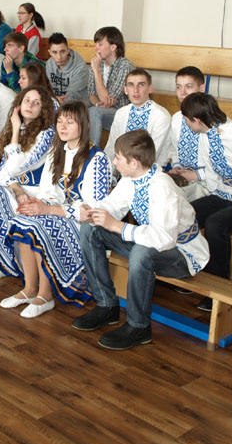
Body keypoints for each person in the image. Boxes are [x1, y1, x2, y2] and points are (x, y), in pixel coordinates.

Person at [75, 129, 210, 349]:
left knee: (141, 252)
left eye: (118, 158)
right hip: (151, 243)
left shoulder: (163, 187)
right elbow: (112, 206)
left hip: (183, 254)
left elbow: (164, 239)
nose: (114, 162)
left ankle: (139, 326)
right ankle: (106, 305)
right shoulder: (131, 179)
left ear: (134, 162)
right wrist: (93, 212)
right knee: (90, 231)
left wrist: (117, 226)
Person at [5, 102, 115, 318]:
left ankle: (45, 295)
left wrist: (48, 210)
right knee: (24, 219)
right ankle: (29, 289)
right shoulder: (57, 151)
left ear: (84, 125)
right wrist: (39, 205)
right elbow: (49, 192)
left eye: (70, 122)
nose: (63, 127)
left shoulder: (97, 159)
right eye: (60, 121)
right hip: (61, 212)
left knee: (41, 226)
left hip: (86, 225)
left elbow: (92, 211)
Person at [0, 86, 56, 288]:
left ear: (43, 109)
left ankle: (0, 261)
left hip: (35, 193)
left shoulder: (46, 134)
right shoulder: (20, 129)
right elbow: (5, 173)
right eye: (27, 100)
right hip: (17, 190)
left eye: (36, 103)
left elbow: (14, 166)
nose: (30, 105)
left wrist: (14, 128)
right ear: (19, 104)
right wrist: (16, 188)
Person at [180, 93, 232, 312]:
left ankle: (218, 286)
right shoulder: (205, 135)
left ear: (197, 120)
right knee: (185, 213)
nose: (186, 124)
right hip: (223, 193)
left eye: (187, 120)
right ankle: (186, 269)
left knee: (216, 224)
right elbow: (211, 172)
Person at [103, 69, 172, 169]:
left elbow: (151, 155)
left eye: (141, 85)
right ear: (125, 90)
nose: (135, 90)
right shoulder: (121, 113)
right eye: (131, 85)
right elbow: (111, 147)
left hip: (149, 171)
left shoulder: (161, 116)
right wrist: (107, 171)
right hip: (122, 169)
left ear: (150, 88)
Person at [86, 26, 134, 145]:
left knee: (94, 112)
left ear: (113, 47)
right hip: (102, 110)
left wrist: (97, 71)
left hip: (120, 114)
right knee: (82, 110)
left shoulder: (124, 66)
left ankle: (93, 151)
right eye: (96, 44)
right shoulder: (98, 64)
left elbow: (107, 99)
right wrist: (98, 104)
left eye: (100, 44)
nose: (96, 48)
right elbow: (91, 94)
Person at [167, 66, 208, 201]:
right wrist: (177, 168)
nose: (182, 92)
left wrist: (195, 175)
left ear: (201, 88)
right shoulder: (176, 118)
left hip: (208, 183)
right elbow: (174, 150)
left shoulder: (213, 121)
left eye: (188, 87)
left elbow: (222, 167)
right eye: (178, 87)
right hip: (185, 178)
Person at [44, 32, 88, 105]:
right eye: (55, 52)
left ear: (68, 50)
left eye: (62, 51)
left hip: (77, 106)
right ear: (50, 52)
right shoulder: (49, 64)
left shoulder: (81, 68)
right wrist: (52, 99)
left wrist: (53, 100)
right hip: (55, 103)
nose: (59, 57)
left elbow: (72, 95)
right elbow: (48, 88)